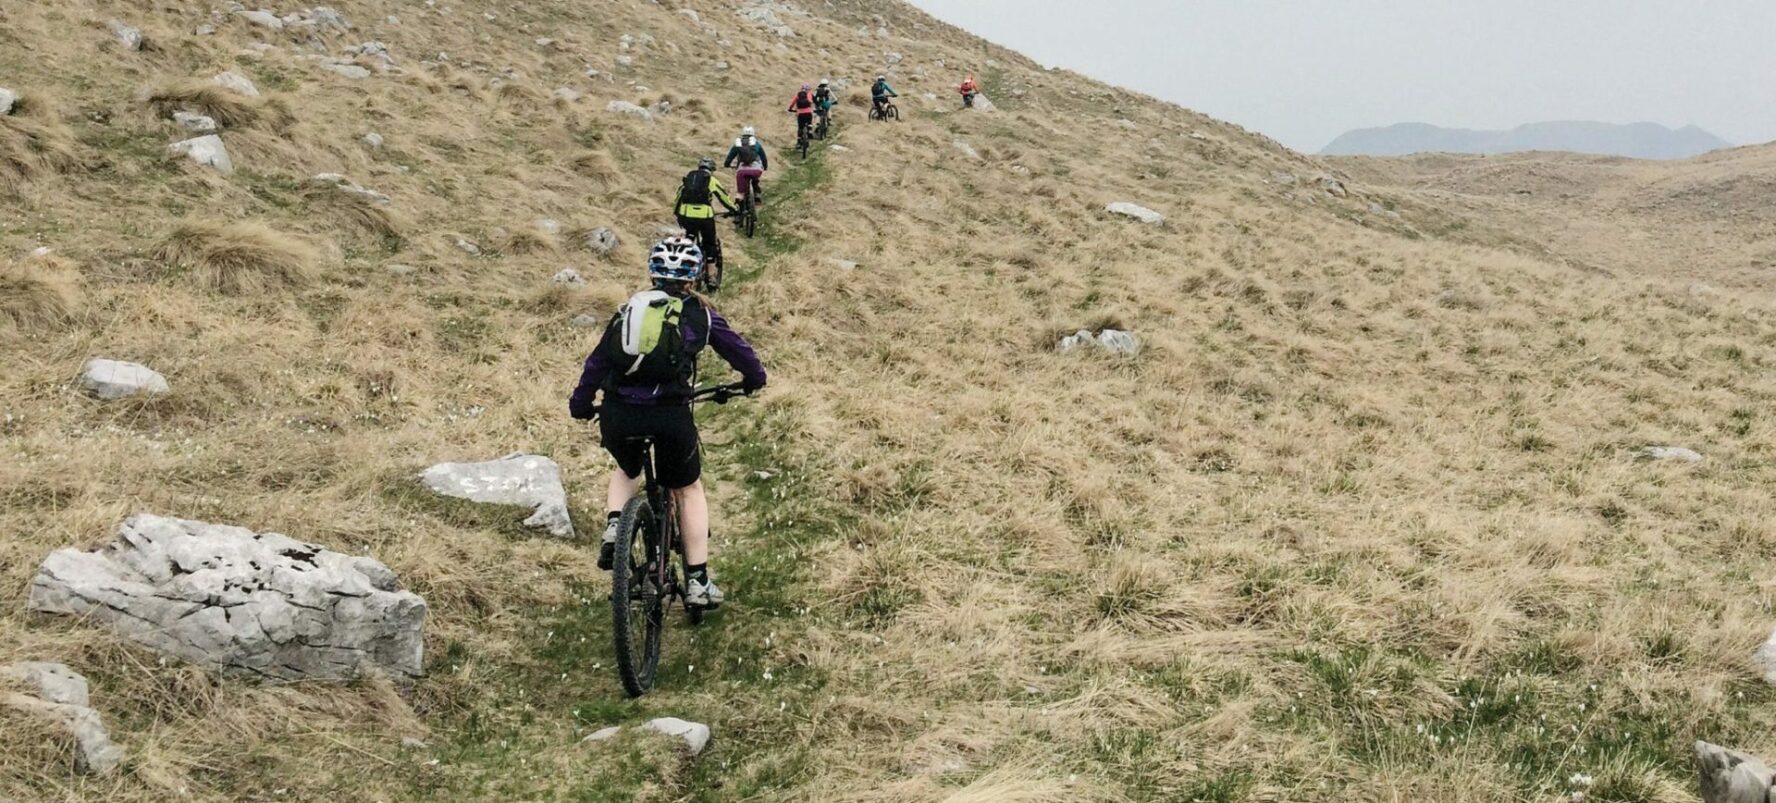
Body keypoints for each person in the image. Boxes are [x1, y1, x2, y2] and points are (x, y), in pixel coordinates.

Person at [569, 238, 768, 609]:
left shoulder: (630, 310)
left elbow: (597, 362)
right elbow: (739, 350)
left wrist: (580, 405)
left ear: (652, 272)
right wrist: (754, 379)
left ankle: (616, 526)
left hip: (618, 414)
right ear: (694, 276)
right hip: (670, 416)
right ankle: (698, 581)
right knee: (688, 488)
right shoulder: (701, 314)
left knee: (627, 467)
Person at [672, 157, 736, 280]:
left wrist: (676, 213)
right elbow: (723, 197)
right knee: (709, 243)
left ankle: (683, 267)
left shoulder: (690, 178)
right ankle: (711, 276)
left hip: (686, 215)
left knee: (688, 239)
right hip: (704, 216)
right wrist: (734, 209)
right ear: (712, 170)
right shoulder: (711, 179)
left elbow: (678, 196)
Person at [723, 126, 769, 203]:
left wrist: (727, 164)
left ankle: (740, 197)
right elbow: (763, 157)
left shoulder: (738, 144)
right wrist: (765, 167)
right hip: (756, 170)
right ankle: (757, 194)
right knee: (755, 179)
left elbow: (730, 156)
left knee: (741, 183)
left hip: (742, 171)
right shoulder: (756, 144)